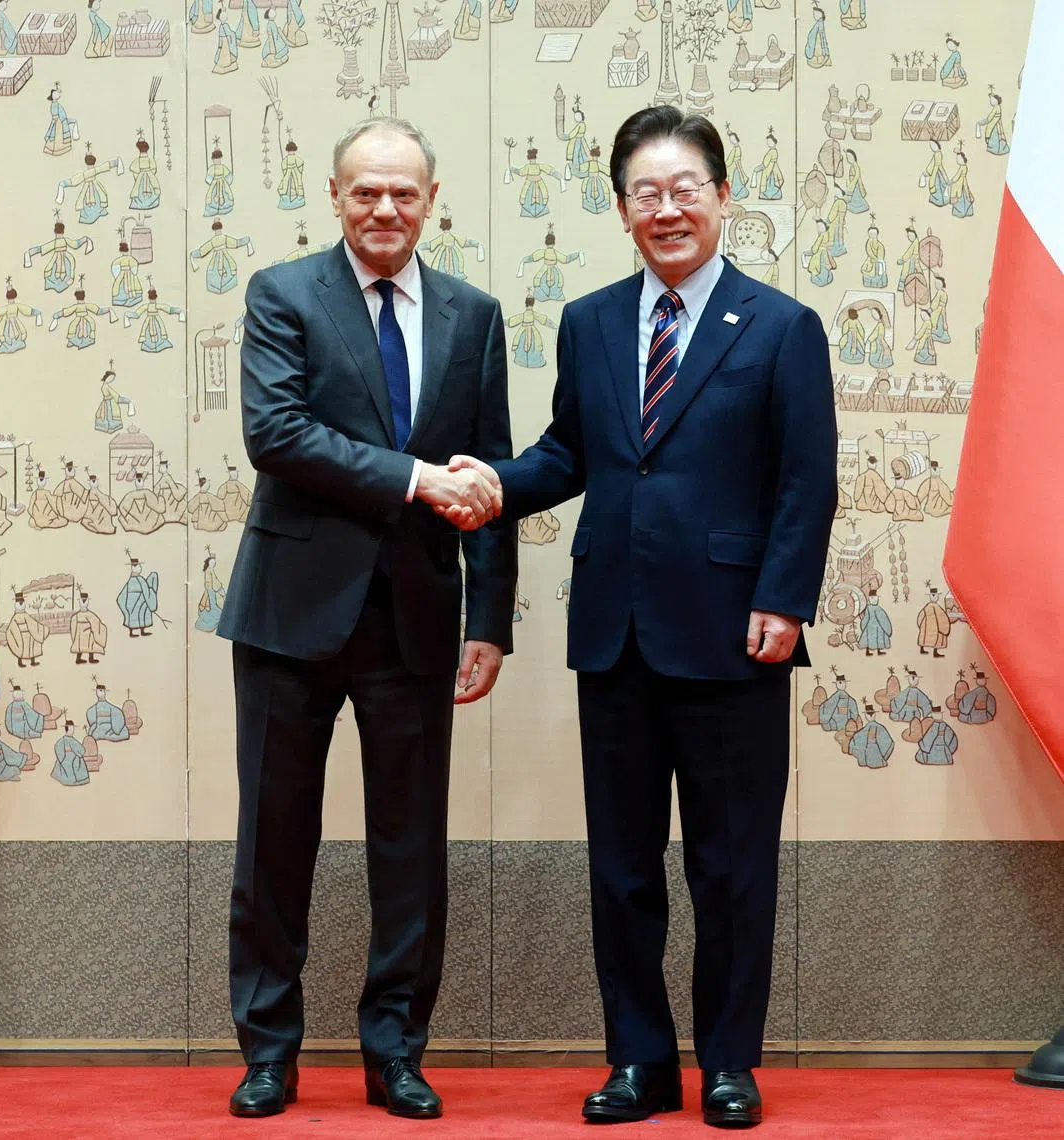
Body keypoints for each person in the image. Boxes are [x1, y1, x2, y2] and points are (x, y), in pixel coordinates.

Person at [449, 109, 835, 1128]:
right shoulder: (589, 321)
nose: (667, 210)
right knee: (622, 868)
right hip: (614, 631)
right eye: (645, 194)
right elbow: (570, 454)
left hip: (735, 634)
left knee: (730, 866)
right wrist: (493, 483)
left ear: (721, 195)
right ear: (621, 209)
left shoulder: (783, 327)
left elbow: (806, 481)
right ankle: (639, 1062)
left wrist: (786, 598)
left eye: (686, 189)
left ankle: (728, 1066)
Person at [217, 117, 516, 1121]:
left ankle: (396, 1049)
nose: (384, 210)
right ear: (335, 195)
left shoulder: (473, 316)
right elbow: (278, 433)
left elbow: (488, 474)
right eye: (365, 193)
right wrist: (415, 478)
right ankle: (268, 1051)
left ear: (432, 199)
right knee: (273, 842)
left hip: (419, 619)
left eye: (404, 194)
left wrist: (494, 617)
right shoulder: (282, 293)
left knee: (410, 849)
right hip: (291, 615)